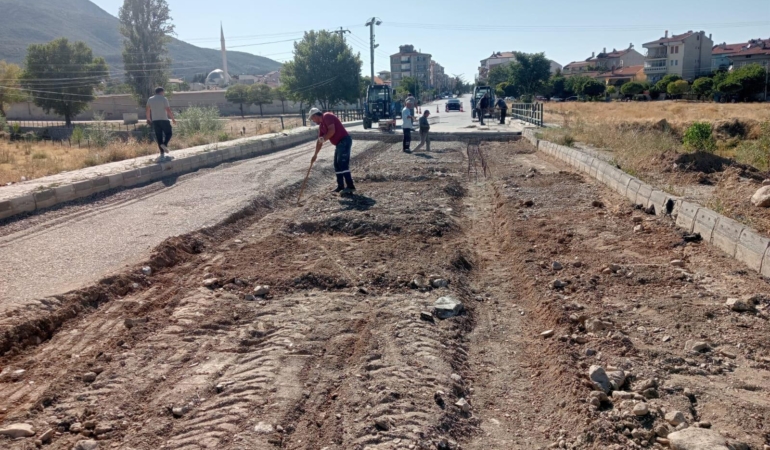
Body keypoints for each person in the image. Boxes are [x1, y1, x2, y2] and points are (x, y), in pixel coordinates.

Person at [308, 108, 356, 195]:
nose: (313, 121)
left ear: (315, 116)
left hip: (344, 141)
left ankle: (350, 186)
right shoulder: (321, 126)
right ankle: (340, 186)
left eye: (312, 119)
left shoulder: (327, 116)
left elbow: (331, 131)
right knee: (337, 165)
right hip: (339, 144)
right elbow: (319, 141)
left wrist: (324, 139)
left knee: (342, 163)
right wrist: (315, 155)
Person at [146, 87, 176, 160]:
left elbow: (147, 109)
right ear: (161, 92)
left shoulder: (150, 99)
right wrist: (173, 119)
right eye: (163, 92)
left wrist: (148, 118)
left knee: (159, 137)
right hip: (164, 120)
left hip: (155, 121)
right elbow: (168, 110)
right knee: (169, 133)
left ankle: (162, 155)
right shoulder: (163, 99)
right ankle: (164, 144)